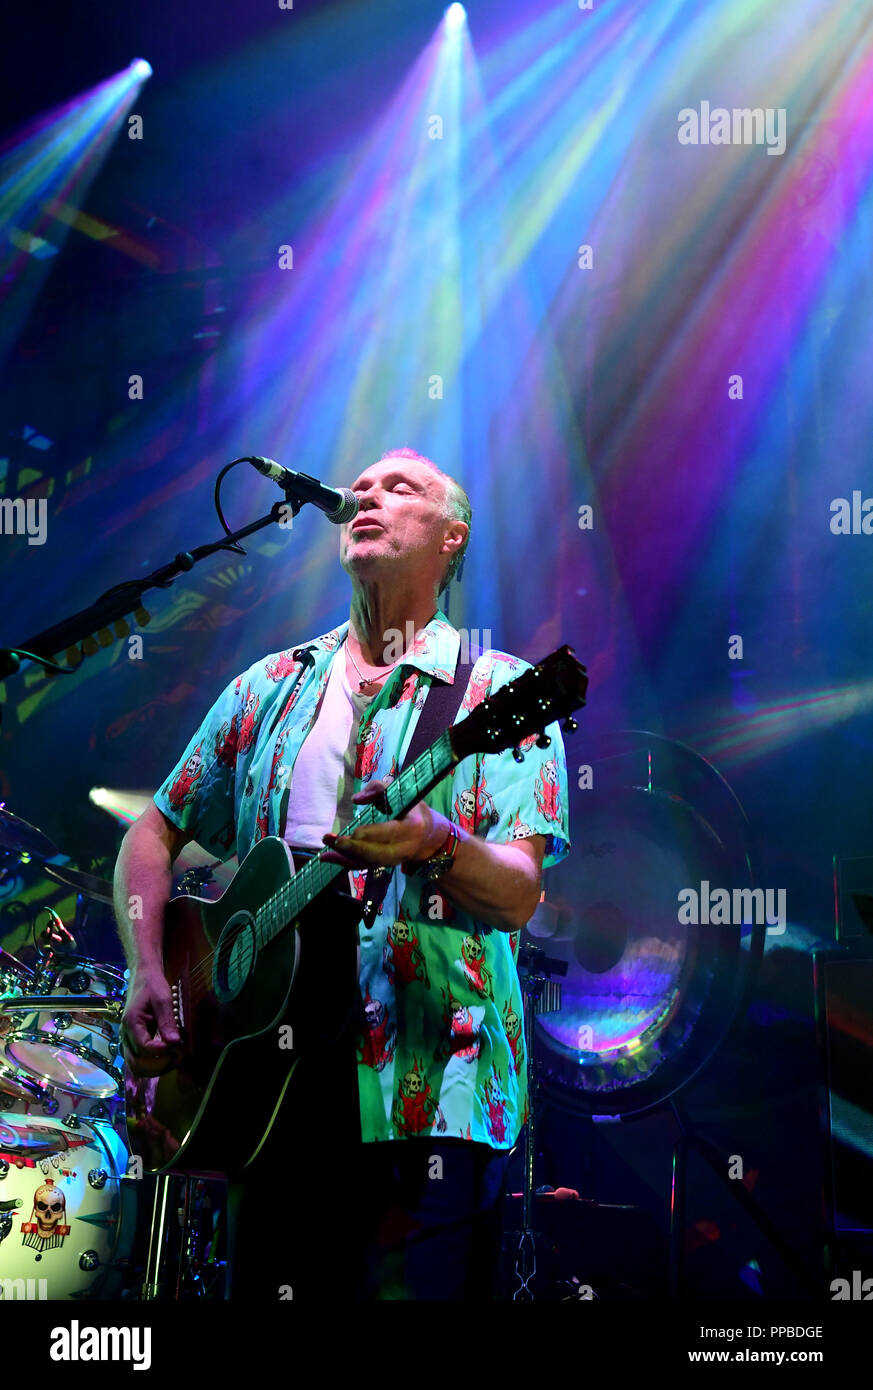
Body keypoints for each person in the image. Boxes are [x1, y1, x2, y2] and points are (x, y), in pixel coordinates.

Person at [115, 446, 571, 1300]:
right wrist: (149, 967)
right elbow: (154, 831)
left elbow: (518, 892)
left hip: (425, 1099)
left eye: (401, 487)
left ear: (452, 538)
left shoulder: (497, 693)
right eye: (360, 486)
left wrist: (438, 842)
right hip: (263, 1097)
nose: (366, 495)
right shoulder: (268, 688)